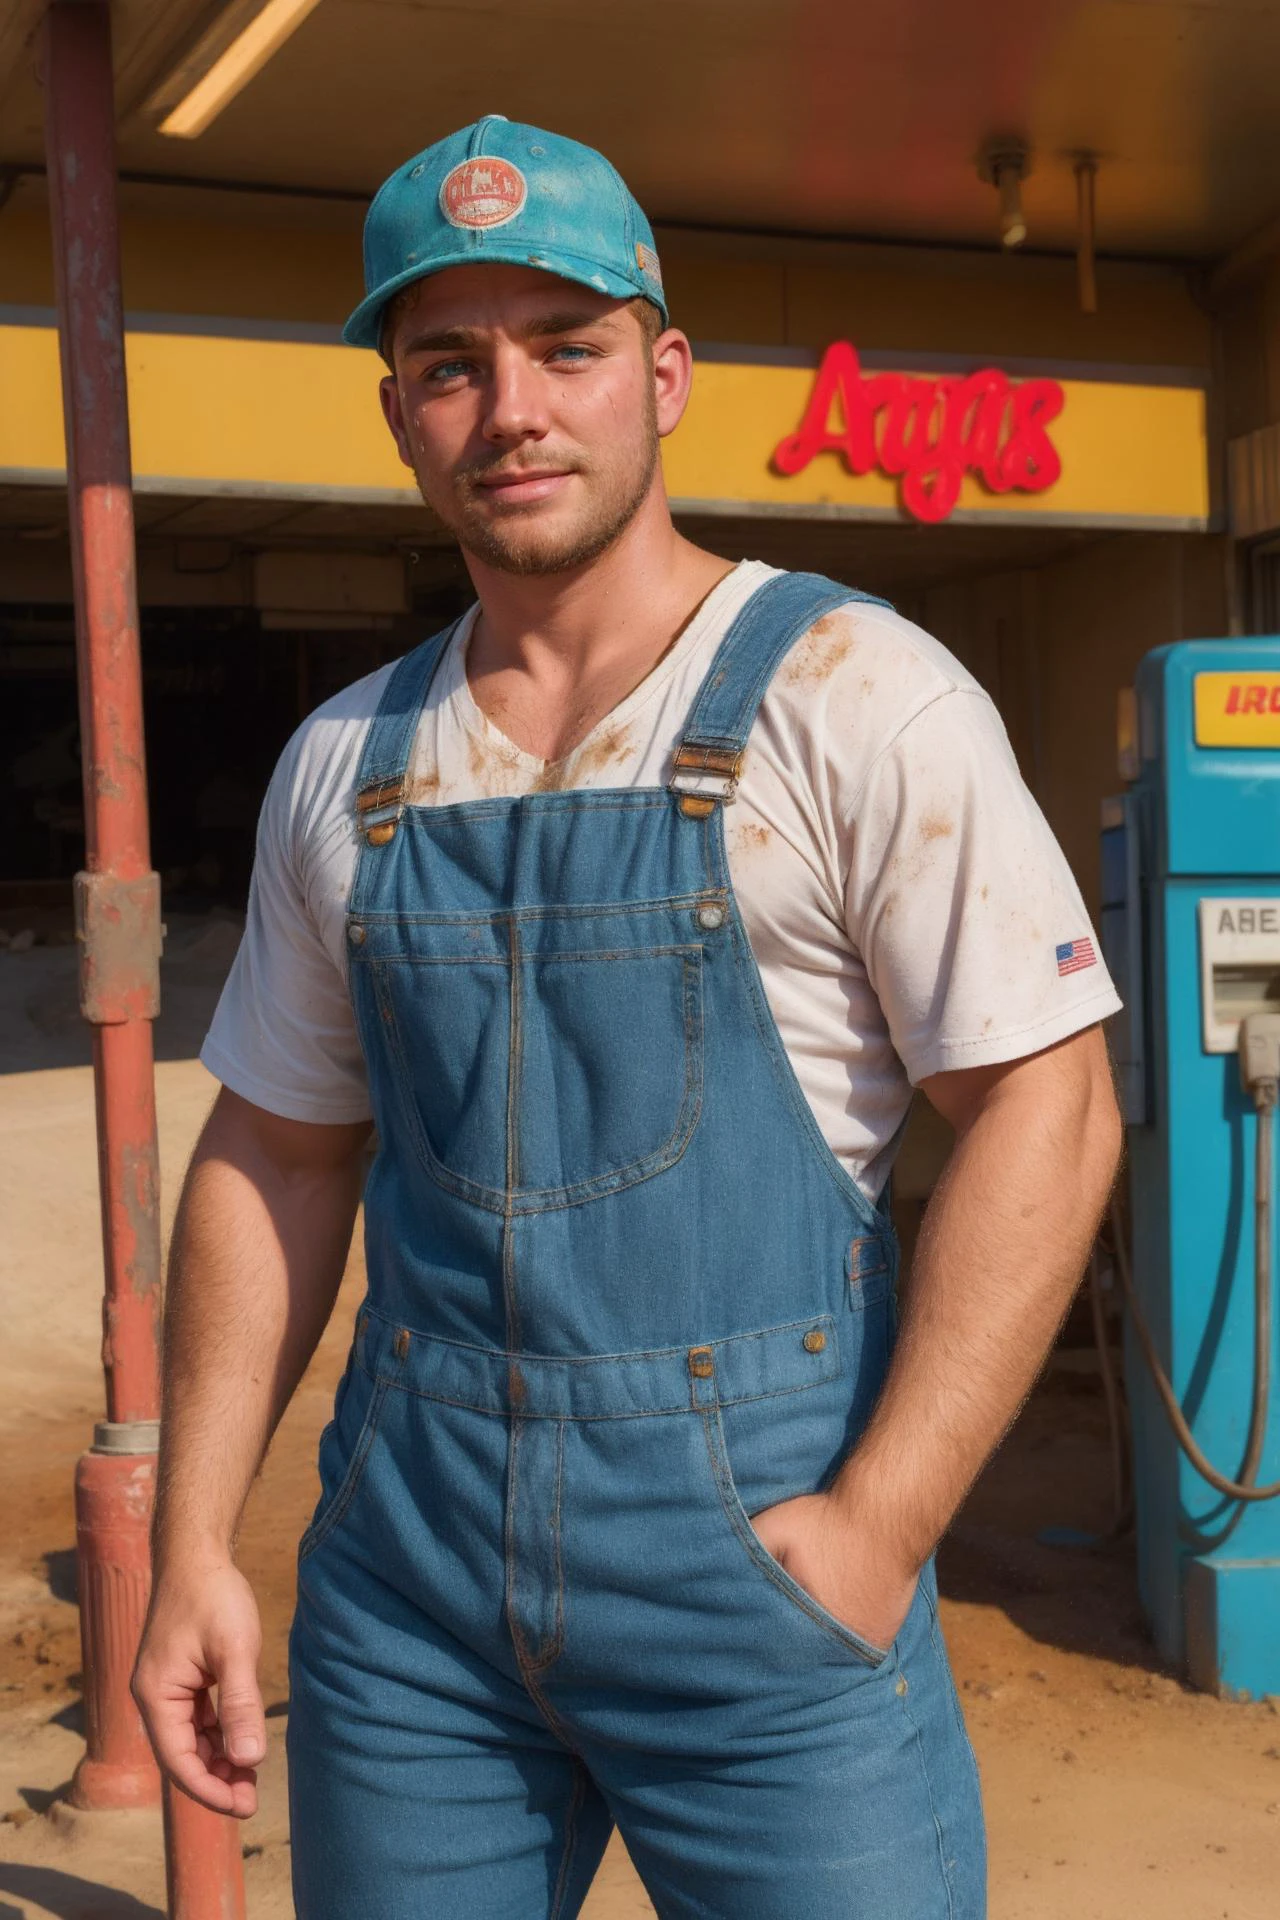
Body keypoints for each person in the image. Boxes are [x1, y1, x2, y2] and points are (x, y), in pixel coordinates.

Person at [133, 116, 1123, 1919]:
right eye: (449, 362)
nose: (511, 406)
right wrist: (196, 1540)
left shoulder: (859, 697)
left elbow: (1050, 1109)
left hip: (765, 1585)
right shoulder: (346, 763)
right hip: (411, 1607)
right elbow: (276, 1149)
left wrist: (883, 1527)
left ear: (663, 376)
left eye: (566, 348)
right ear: (399, 412)